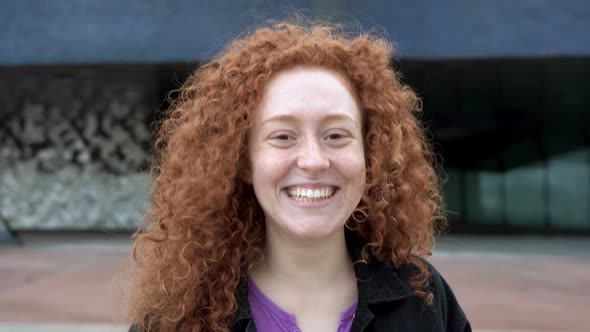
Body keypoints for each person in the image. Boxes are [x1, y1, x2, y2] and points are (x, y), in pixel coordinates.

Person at [127, 18, 471, 332]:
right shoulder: (178, 315)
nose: (313, 161)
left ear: (371, 155)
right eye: (282, 136)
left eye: (336, 135)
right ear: (243, 162)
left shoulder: (423, 298)